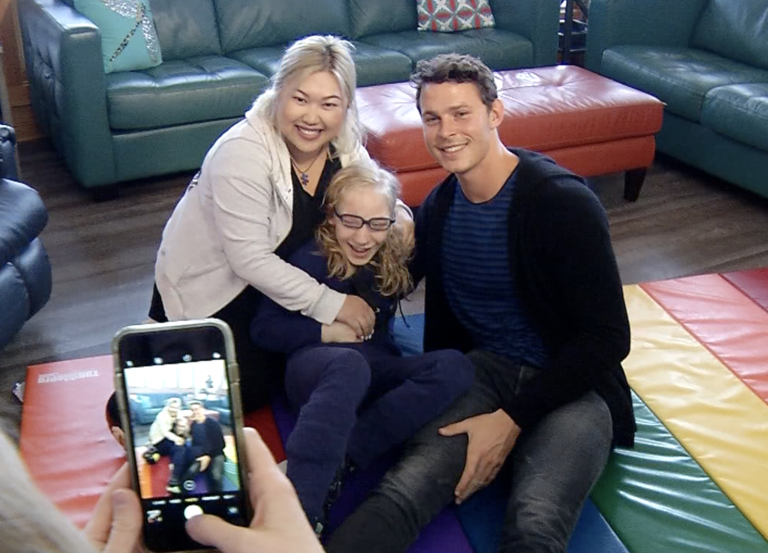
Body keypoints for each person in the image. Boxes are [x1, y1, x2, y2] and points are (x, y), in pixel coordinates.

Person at [325, 54, 636, 553]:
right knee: (404, 488)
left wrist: (510, 420)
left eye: (461, 113)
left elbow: (609, 338)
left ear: (495, 113)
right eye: (432, 118)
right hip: (483, 373)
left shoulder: (563, 203)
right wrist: (327, 287)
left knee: (536, 519)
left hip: (572, 385)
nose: (446, 131)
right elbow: (391, 283)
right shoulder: (441, 206)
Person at [150, 35, 413, 410]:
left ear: (346, 107)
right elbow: (249, 260)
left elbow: (374, 189)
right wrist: (334, 305)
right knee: (246, 391)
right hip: (222, 288)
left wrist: (400, 215)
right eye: (300, 99)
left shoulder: (343, 143)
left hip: (286, 280)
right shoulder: (241, 152)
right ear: (278, 93)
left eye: (329, 104)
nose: (312, 117)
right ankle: (140, 385)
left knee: (301, 364)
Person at [250, 161, 474, 536]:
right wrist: (327, 332)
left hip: (373, 371)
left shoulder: (390, 255)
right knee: (350, 366)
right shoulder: (310, 260)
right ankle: (301, 512)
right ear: (331, 216)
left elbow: (425, 232)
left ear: (391, 223)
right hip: (318, 370)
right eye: (351, 221)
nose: (363, 237)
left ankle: (345, 457)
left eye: (377, 224)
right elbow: (264, 328)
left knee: (456, 366)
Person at [0, 425, 324, 553]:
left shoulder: (206, 426)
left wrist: (205, 453)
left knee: (196, 460)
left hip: (204, 455)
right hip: (184, 452)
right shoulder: (174, 425)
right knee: (177, 452)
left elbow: (211, 446)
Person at [168, 401, 226, 495]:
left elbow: (221, 444)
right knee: (191, 471)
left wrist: (207, 456)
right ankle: (180, 491)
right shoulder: (193, 425)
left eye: (197, 409)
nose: (195, 412)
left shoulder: (213, 423)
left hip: (216, 454)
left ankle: (219, 498)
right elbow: (190, 440)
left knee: (215, 476)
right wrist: (182, 427)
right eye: (192, 410)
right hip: (201, 454)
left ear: (203, 409)